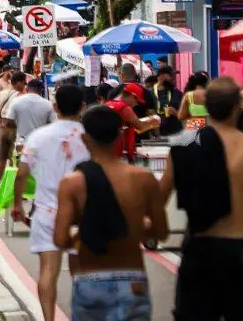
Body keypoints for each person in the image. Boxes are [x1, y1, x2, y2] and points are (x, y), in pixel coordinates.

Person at [160, 76, 243, 320]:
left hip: (200, 245)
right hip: (241, 248)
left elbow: (160, 196)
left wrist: (156, 229)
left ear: (207, 106)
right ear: (236, 107)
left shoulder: (184, 144)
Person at [53, 105, 168, 320]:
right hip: (132, 277)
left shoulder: (72, 183)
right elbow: (160, 232)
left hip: (89, 278)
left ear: (85, 138)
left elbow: (60, 239)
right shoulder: (144, 179)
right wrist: (136, 226)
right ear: (120, 135)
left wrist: (84, 236)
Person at [11, 85, 89, 321]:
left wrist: (17, 204)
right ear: (83, 107)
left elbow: (22, 173)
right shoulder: (89, 136)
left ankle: (48, 318)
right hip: (81, 212)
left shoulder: (38, 137)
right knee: (82, 272)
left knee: (48, 270)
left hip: (47, 210)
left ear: (55, 108)